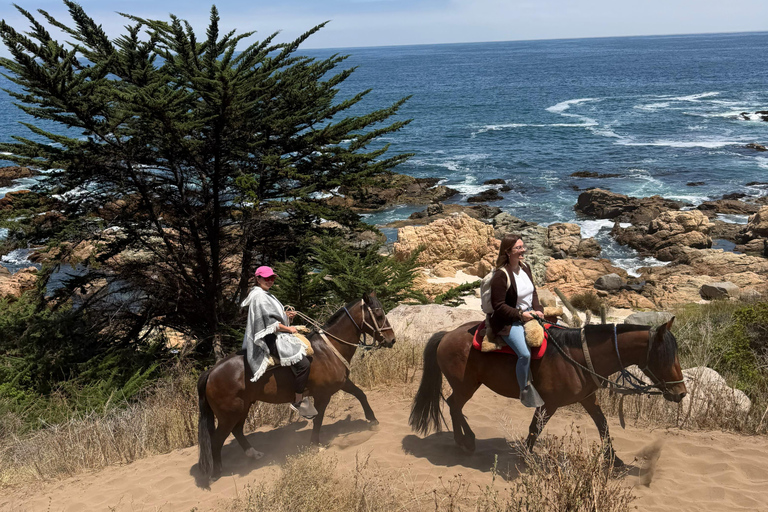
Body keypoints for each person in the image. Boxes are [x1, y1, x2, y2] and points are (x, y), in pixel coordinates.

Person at [241, 266, 317, 419]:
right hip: (270, 339)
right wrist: (289, 329)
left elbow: (274, 318)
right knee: (304, 364)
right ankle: (297, 400)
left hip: (276, 335)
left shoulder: (265, 294)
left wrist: (286, 316)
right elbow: (269, 324)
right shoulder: (259, 296)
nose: (270, 281)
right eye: (266, 278)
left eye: (272, 278)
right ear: (258, 279)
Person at [488, 234, 546, 408]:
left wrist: (538, 310)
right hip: (508, 321)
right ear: (508, 252)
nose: (523, 250)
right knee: (525, 353)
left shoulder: (525, 267)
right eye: (518, 248)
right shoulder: (501, 275)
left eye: (522, 246)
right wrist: (521, 315)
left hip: (530, 314)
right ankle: (525, 390)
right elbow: (498, 306)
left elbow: (533, 292)